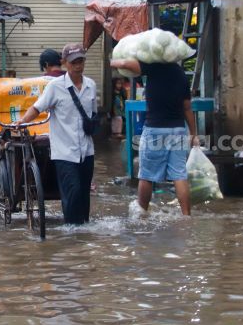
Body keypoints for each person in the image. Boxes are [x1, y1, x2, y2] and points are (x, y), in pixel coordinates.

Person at [16, 43, 97, 224]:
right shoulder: (55, 87)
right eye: (74, 61)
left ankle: (83, 231)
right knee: (73, 192)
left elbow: (93, 114)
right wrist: (22, 121)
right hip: (65, 152)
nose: (78, 65)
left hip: (87, 151)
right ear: (65, 63)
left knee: (84, 194)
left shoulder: (91, 85)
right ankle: (71, 231)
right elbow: (37, 108)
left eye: (81, 61)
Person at [110, 58, 198, 216]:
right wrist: (193, 133)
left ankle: (142, 213)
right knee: (179, 175)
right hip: (177, 129)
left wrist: (112, 61)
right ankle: (186, 216)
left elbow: (125, 64)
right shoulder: (181, 74)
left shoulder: (153, 67)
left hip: (155, 129)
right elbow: (187, 108)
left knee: (147, 175)